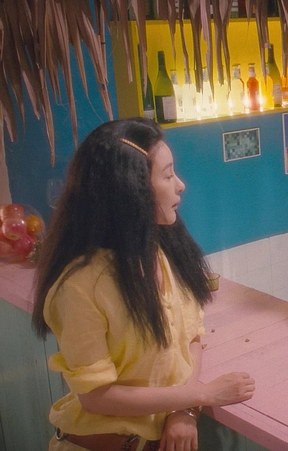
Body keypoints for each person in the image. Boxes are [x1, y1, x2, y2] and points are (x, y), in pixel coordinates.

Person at [32, 118, 256, 451]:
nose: (180, 185)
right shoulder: (79, 286)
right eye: (167, 175)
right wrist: (204, 394)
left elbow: (191, 339)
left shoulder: (165, 251)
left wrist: (184, 409)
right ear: (130, 191)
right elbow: (96, 396)